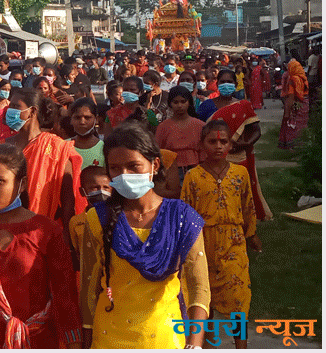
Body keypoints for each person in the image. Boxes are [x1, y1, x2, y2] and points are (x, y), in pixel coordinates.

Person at [80, 121, 210, 348]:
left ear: (154, 165)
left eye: (133, 166)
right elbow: (90, 288)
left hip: (164, 337)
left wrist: (195, 343)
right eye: (115, 168)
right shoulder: (97, 218)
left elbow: (199, 287)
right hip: (109, 336)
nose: (124, 175)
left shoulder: (181, 218)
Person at [0, 142, 82, 349]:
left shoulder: (45, 231)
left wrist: (75, 344)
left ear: (22, 184)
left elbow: (65, 297)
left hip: (40, 341)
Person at [180, 121, 261, 349]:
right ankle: (206, 345)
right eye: (212, 141)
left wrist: (251, 233)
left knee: (239, 298)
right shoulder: (193, 177)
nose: (218, 146)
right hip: (202, 244)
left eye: (223, 141)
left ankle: (241, 345)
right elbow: (185, 211)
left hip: (233, 244)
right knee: (204, 297)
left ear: (230, 144)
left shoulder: (240, 173)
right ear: (201, 145)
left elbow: (248, 205)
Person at [4, 88, 84, 236]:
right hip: (7, 226)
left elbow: (67, 197)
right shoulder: (3, 146)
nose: (10, 111)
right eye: (10, 107)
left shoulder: (57, 147)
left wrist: (67, 233)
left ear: (32, 111)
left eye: (16, 107)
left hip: (45, 230)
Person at [201, 69, 271, 221]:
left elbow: (256, 130)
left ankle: (241, 223)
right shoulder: (207, 106)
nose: (226, 85)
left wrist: (245, 143)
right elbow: (200, 132)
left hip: (239, 157)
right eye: (222, 82)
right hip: (213, 157)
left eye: (230, 82)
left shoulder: (243, 105)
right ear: (216, 84)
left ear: (236, 84)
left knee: (239, 192)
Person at [154, 87, 204, 187]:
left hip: (196, 168)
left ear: (189, 102)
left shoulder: (200, 125)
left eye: (183, 101)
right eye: (175, 102)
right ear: (170, 104)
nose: (179, 105)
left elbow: (204, 151)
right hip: (172, 171)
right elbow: (158, 151)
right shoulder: (163, 127)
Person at [68, 165, 111, 268]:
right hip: (88, 275)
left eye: (106, 187)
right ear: (82, 191)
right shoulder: (76, 222)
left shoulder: (117, 217)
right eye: (95, 188)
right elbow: (77, 251)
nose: (101, 191)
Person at [279, 60, 310, 151]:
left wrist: (287, 111)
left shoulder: (293, 80)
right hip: (304, 104)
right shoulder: (303, 78)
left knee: (292, 124)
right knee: (302, 124)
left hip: (296, 104)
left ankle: (292, 145)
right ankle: (302, 143)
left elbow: (291, 95)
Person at [69, 97, 104, 169]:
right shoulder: (63, 146)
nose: (82, 122)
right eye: (77, 117)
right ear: (71, 119)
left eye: (87, 117)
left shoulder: (104, 148)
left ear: (96, 119)